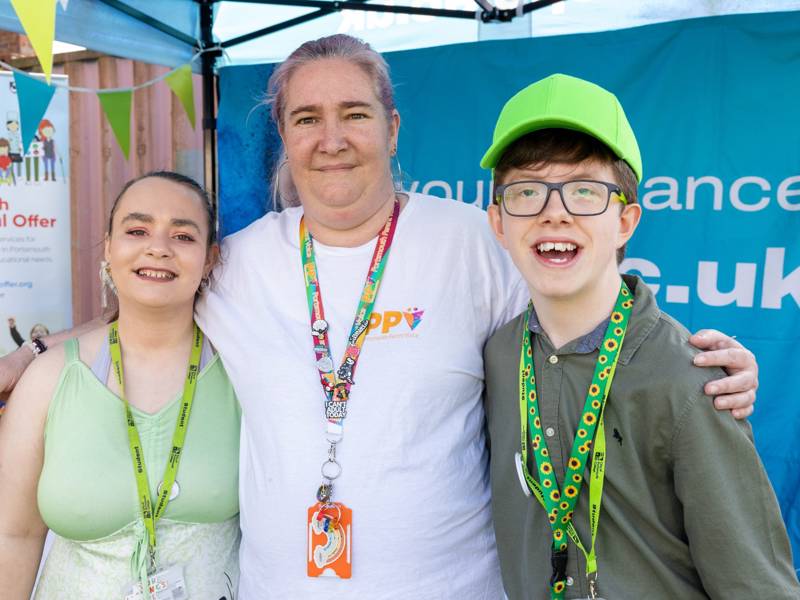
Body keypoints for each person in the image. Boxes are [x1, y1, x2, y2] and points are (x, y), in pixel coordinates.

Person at [0, 34, 758, 600]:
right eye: (307, 118)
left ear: (392, 128)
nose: (331, 140)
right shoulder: (241, 261)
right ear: (285, 136)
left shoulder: (473, 241)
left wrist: (698, 365)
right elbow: (146, 300)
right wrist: (32, 354)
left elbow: (583, 314)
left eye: (354, 114)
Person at [482, 74, 799, 599]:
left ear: (626, 221)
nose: (554, 212)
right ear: (498, 223)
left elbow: (756, 586)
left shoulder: (691, 379)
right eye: (527, 192)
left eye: (585, 191)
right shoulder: (497, 356)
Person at [0, 171, 241, 599]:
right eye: (137, 231)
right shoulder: (50, 378)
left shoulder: (243, 372)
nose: (158, 247)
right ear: (109, 248)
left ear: (210, 259)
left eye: (183, 236)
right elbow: (13, 535)